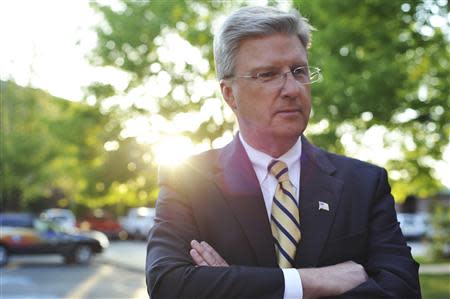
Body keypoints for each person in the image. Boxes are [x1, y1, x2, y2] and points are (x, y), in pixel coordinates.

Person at [146, 6, 420, 299]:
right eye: (268, 74)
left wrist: (232, 286)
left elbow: (402, 290)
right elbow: (168, 284)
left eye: (299, 71)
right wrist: (308, 282)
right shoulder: (188, 180)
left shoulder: (364, 184)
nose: (292, 88)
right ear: (229, 94)